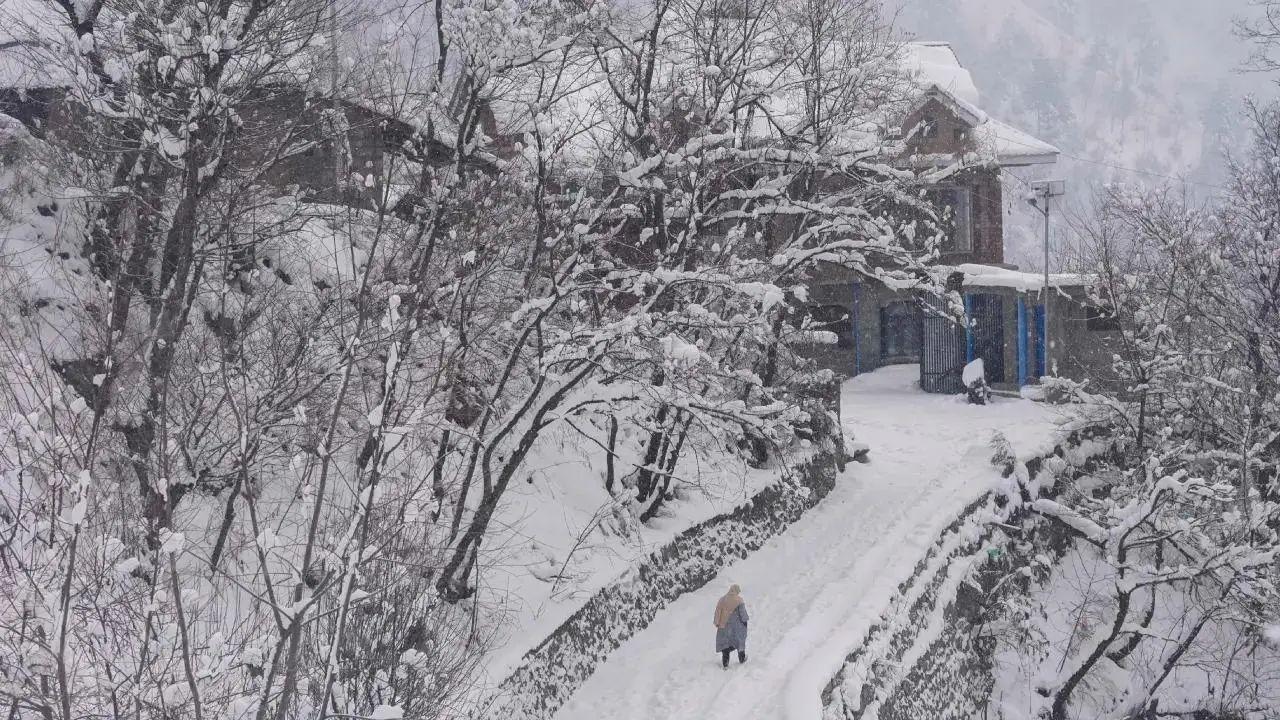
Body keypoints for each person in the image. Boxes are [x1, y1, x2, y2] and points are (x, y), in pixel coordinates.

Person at [713, 583, 749, 669]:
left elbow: (717, 612)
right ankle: (742, 658)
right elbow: (743, 614)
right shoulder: (739, 600)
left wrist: (717, 622)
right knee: (740, 642)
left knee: (725, 645)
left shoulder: (722, 600)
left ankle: (725, 664)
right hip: (736, 626)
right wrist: (745, 622)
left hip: (724, 627)